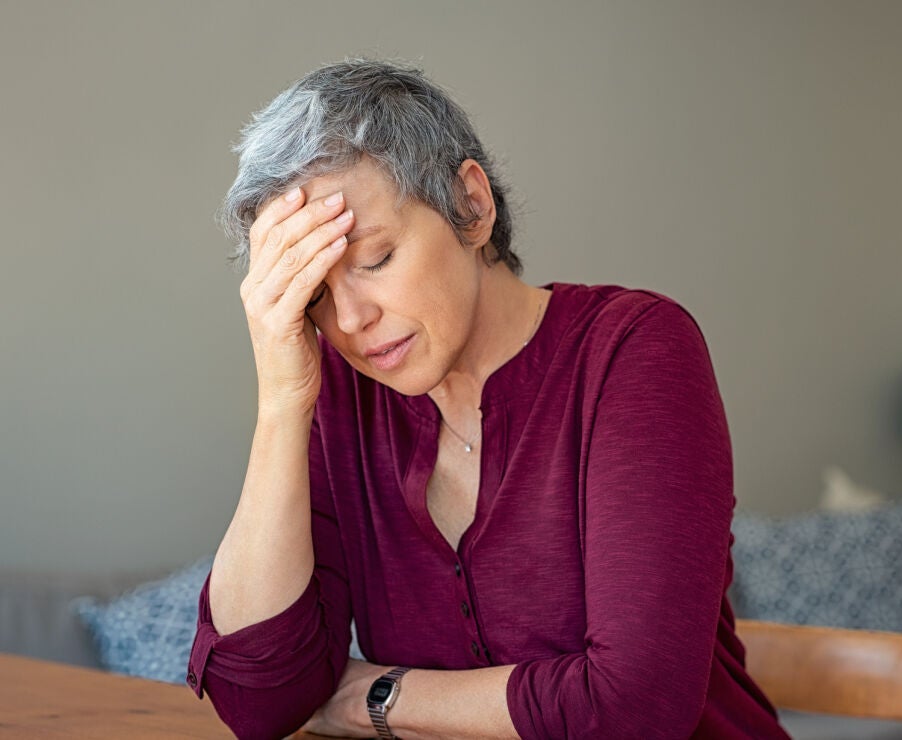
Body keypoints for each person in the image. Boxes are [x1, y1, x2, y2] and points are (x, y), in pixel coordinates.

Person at [187, 58, 791, 740]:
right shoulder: (339, 394)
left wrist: (368, 698)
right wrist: (281, 404)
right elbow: (258, 704)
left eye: (374, 260)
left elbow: (634, 710)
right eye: (317, 294)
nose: (350, 320)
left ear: (469, 205)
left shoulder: (634, 351)